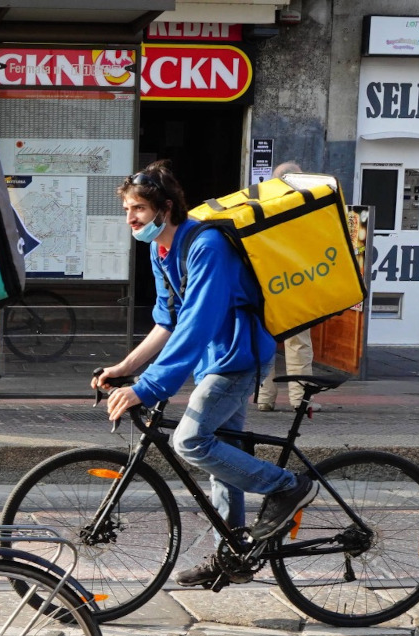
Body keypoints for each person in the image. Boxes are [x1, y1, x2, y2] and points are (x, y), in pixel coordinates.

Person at [93, 161, 318, 587]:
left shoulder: (207, 245)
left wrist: (149, 386)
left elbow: (198, 322)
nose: (130, 219)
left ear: (165, 206)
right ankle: (235, 551)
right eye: (126, 210)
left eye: (138, 208)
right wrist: (124, 368)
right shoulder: (160, 249)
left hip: (237, 358)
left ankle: (287, 486)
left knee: (191, 440)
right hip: (212, 361)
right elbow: (168, 321)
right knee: (220, 459)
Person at [256, 161, 321, 413]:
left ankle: (264, 397)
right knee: (299, 345)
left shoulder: (262, 206)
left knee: (266, 342)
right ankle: (300, 399)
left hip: (268, 285)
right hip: (296, 283)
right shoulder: (307, 206)